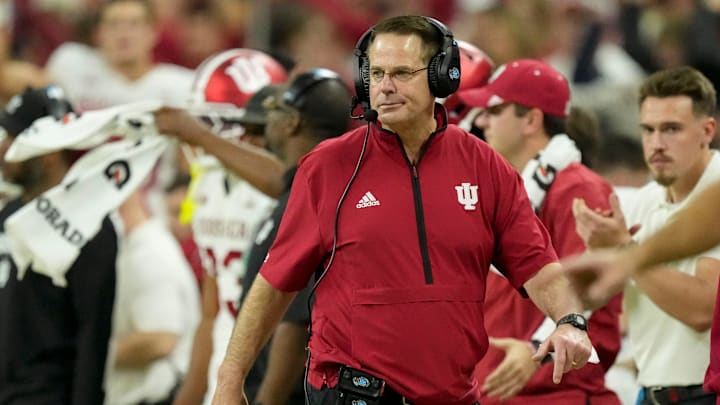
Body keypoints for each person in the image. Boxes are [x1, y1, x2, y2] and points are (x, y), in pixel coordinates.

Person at [212, 15, 592, 405]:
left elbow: (539, 267)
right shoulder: (328, 167)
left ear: (441, 76)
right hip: (353, 392)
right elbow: (275, 283)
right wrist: (230, 378)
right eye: (376, 74)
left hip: (454, 394)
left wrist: (570, 321)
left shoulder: (485, 166)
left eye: (401, 73)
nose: (385, 87)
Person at [460, 59, 621, 405]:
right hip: (502, 392)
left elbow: (588, 294)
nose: (481, 120)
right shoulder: (508, 191)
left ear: (531, 120)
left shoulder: (579, 190)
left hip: (554, 395)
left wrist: (537, 352)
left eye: (494, 110)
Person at [572, 66, 720, 404]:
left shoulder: (716, 192)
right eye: (648, 130)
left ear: (707, 130)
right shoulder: (643, 200)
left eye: (671, 129)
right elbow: (609, 304)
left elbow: (703, 311)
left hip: (706, 394)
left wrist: (625, 252)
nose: (656, 144)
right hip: (650, 392)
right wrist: (599, 257)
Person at [152, 49, 288, 405]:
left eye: (214, 123)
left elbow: (286, 181)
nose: (200, 134)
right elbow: (210, 313)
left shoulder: (283, 186)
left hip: (272, 368)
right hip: (225, 370)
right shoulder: (209, 183)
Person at [240, 69, 352, 405]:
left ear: (290, 123)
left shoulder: (307, 203)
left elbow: (296, 321)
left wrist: (265, 400)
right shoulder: (326, 189)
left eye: (273, 109)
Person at [0, 86, 118, 404]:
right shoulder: (9, 212)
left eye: (16, 140)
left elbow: (93, 334)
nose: (4, 149)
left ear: (51, 150)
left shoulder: (88, 224)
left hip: (43, 396)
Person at [104, 189, 200, 405]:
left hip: (153, 397)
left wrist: (91, 354)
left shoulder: (149, 253)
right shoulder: (126, 248)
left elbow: (160, 340)